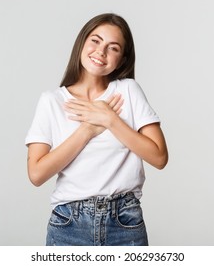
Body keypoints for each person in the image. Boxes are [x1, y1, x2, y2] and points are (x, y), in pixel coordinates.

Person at [25, 13, 168, 246]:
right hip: (68, 223)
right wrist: (87, 130)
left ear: (122, 59)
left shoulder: (129, 91)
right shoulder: (51, 101)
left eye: (113, 48)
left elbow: (159, 157)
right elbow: (36, 174)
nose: (101, 52)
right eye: (95, 40)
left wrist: (111, 119)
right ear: (82, 42)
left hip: (124, 220)